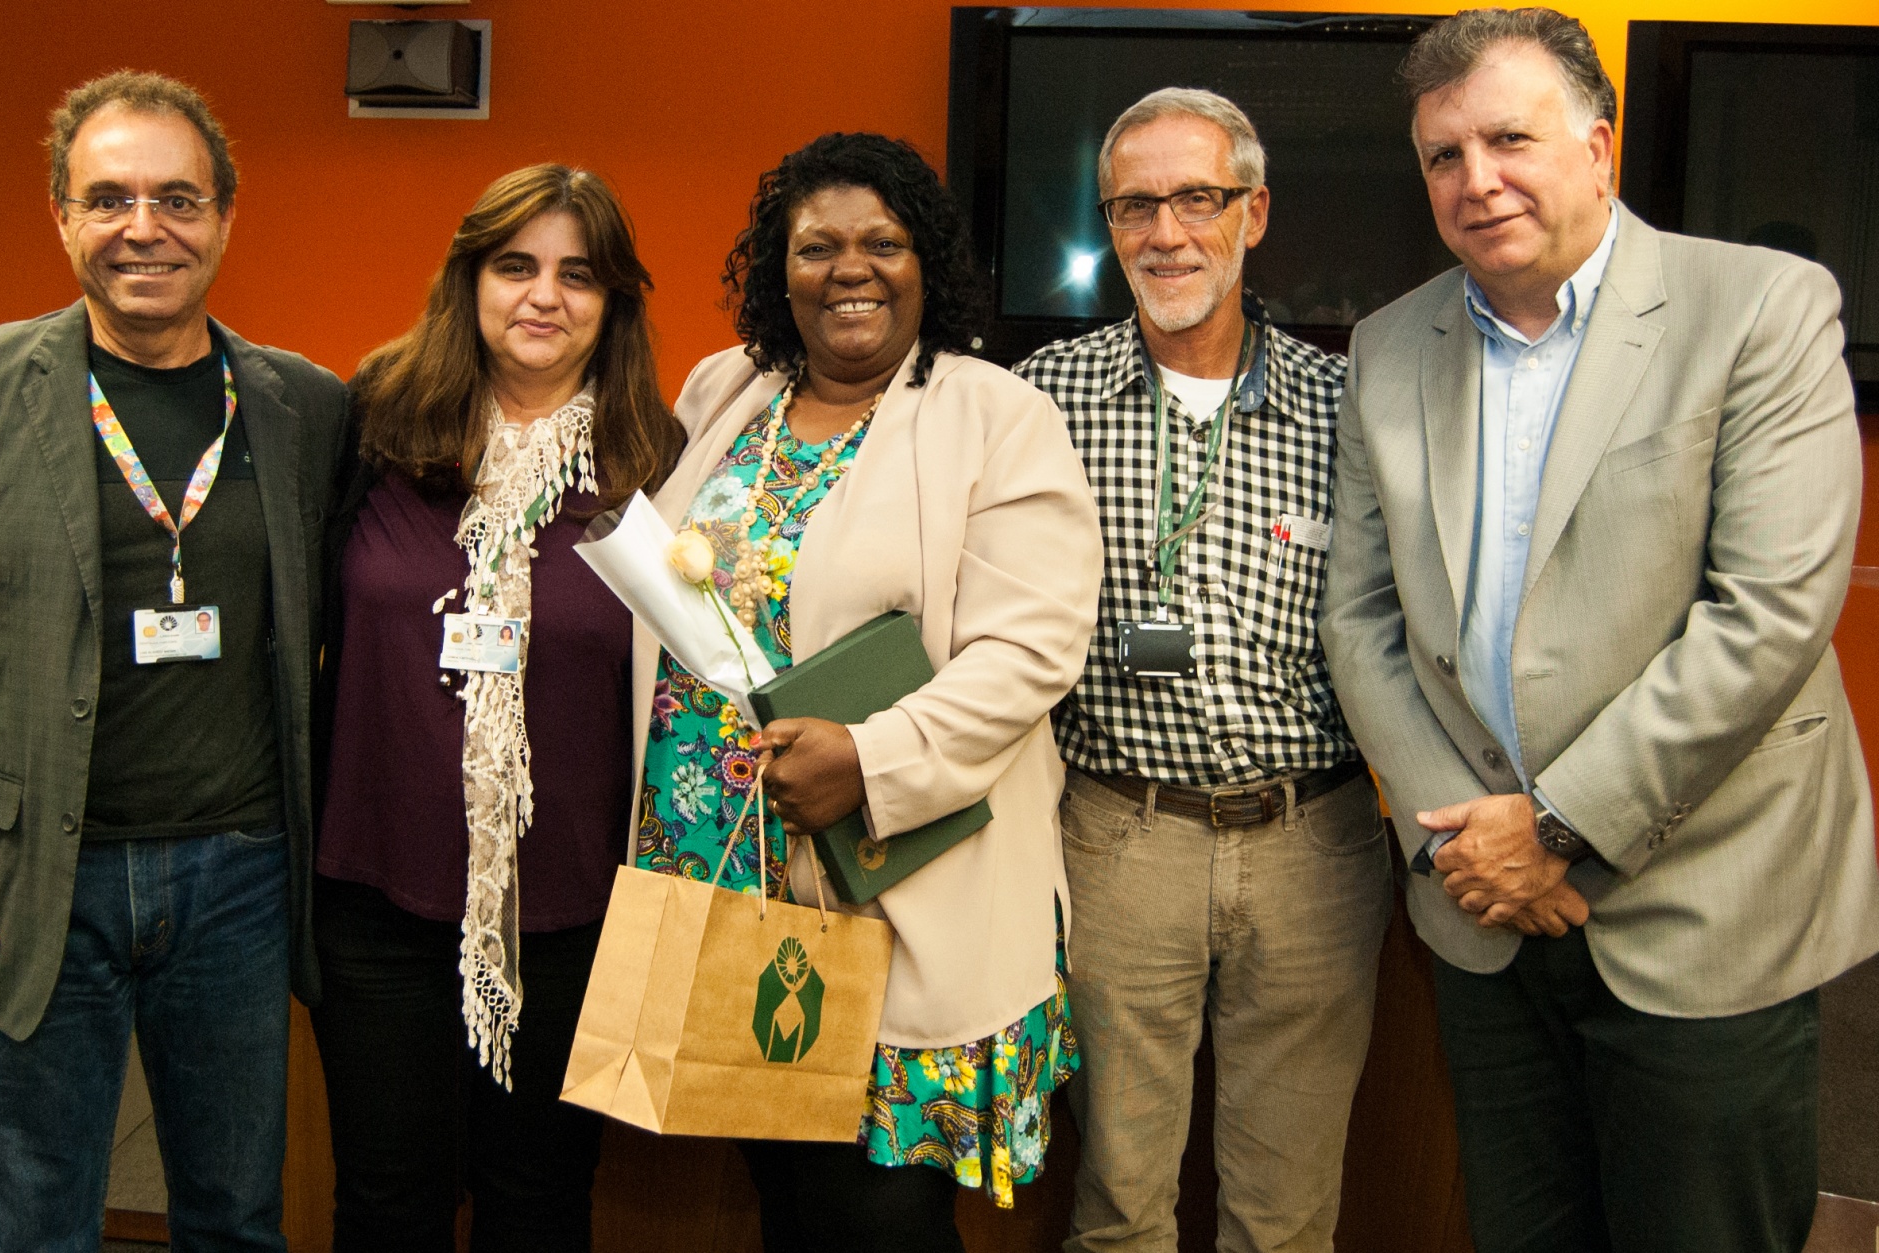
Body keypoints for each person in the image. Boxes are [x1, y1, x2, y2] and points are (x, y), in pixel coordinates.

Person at [1319, 10, 1879, 1252]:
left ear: (1599, 149)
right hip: (1482, 919)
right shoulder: (1384, 345)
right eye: (1441, 155)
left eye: (1508, 138)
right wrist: (1469, 851)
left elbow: (1768, 613)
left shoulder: (1760, 308)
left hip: (1704, 903)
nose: (1477, 180)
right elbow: (1357, 618)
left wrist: (1555, 827)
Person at [0, 71, 349, 1250]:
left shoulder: (303, 407)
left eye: (177, 199)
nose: (144, 228)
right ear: (61, 217)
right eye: (108, 198)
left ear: (224, 216)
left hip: (238, 881)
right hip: (27, 887)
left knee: (234, 1214)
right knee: (38, 1223)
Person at [632, 132, 1100, 1251]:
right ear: (774, 270)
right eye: (816, 246)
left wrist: (869, 761)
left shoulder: (993, 413)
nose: (850, 268)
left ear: (925, 263)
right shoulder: (721, 389)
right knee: (787, 1199)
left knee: (876, 1209)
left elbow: (1029, 648)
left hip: (891, 879)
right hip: (721, 874)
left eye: (882, 243)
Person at [1013, 89, 1391, 1253]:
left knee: (1283, 1214)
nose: (1165, 232)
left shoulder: (1348, 407)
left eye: (1196, 198)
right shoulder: (1042, 397)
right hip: (1119, 837)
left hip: (1314, 848)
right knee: (1119, 1203)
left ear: (1253, 210)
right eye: (1135, 204)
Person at [310, 165, 682, 1253]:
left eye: (579, 274)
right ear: (467, 278)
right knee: (386, 1202)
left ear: (612, 301)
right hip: (377, 897)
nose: (543, 296)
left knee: (539, 1201)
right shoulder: (369, 423)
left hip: (572, 908)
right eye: (515, 265)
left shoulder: (658, 459)